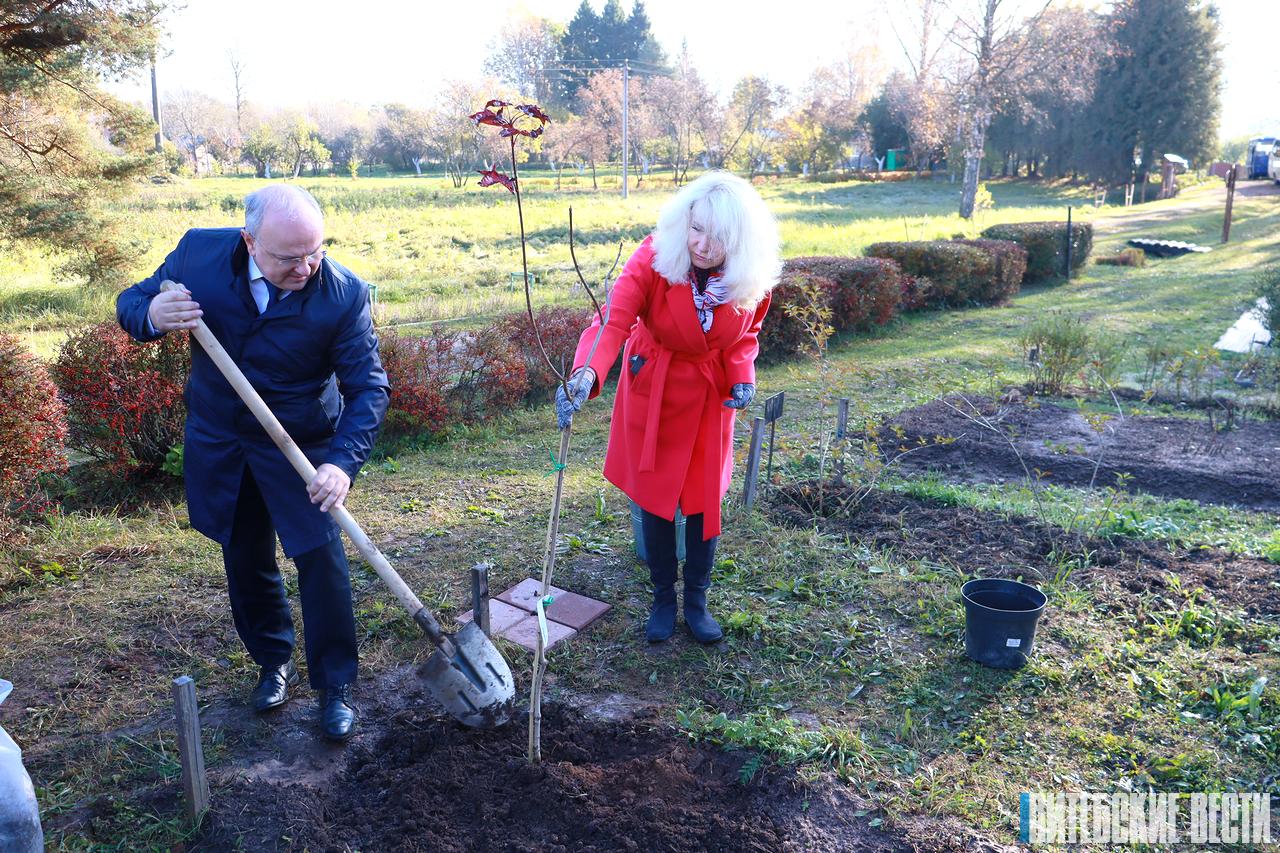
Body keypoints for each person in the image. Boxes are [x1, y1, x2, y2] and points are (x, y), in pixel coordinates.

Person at [116, 185, 389, 741]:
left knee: (320, 560)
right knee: (245, 557)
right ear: (249, 240)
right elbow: (131, 302)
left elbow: (368, 390)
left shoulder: (341, 294)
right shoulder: (199, 256)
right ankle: (273, 661)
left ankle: (334, 686)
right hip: (222, 442)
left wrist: (341, 463)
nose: (306, 267)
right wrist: (151, 313)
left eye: (316, 251)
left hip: (301, 444)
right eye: (290, 257)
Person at [556, 171, 781, 644]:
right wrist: (587, 370)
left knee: (702, 505)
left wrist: (742, 376)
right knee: (655, 500)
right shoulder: (657, 255)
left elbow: (747, 337)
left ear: (739, 241)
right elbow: (613, 317)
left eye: (716, 236)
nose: (701, 244)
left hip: (708, 400)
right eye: (696, 228)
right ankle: (662, 597)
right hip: (652, 389)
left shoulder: (750, 278)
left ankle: (696, 602)